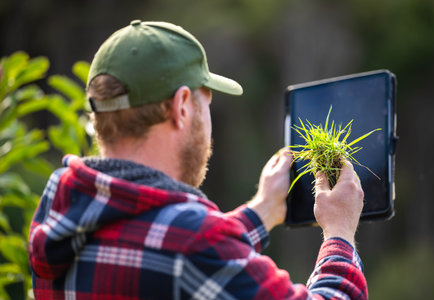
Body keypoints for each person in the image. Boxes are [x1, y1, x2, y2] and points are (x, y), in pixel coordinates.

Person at [28, 20, 368, 299]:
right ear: (181, 106)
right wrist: (340, 231)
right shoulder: (192, 242)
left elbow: (155, 243)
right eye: (207, 103)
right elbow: (187, 248)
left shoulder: (59, 204)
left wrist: (262, 211)